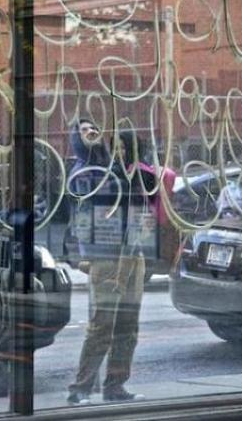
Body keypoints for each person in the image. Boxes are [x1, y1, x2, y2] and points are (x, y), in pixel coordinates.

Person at [66, 121, 157, 405]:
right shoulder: (82, 170)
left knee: (128, 327)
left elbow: (141, 203)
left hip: (132, 253)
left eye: (94, 127)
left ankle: (115, 386)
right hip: (106, 256)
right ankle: (80, 389)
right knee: (101, 325)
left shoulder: (117, 166)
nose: (92, 131)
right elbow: (97, 201)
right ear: (76, 139)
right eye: (84, 130)